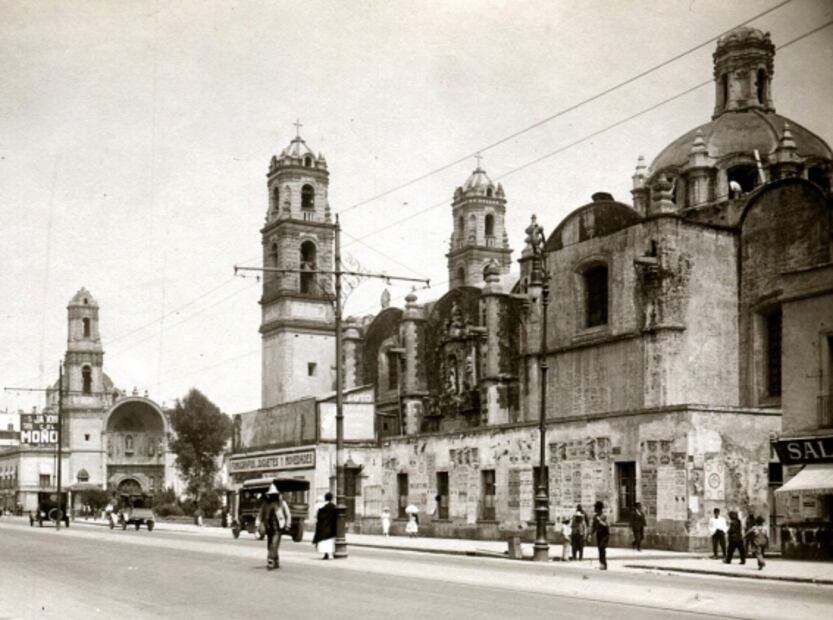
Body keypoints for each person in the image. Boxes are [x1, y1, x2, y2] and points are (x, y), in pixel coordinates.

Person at [257, 481, 292, 570]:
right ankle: (276, 561)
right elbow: (260, 514)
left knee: (274, 544)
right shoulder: (265, 504)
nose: (272, 496)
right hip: (268, 527)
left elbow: (288, 515)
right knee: (270, 545)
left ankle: (271, 561)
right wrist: (257, 524)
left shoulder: (281, 503)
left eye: (274, 494)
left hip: (278, 528)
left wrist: (288, 524)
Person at [312, 492, 337, 560]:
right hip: (330, 526)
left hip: (323, 526)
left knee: (324, 541)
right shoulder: (333, 506)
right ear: (331, 498)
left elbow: (318, 516)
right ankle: (330, 554)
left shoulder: (322, 507)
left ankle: (325, 554)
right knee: (330, 541)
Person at [589, 500, 610, 570]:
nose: (594, 509)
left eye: (595, 508)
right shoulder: (595, 517)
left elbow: (606, 525)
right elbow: (594, 527)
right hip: (599, 535)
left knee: (602, 548)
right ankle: (601, 563)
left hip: (605, 534)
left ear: (599, 509)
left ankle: (604, 564)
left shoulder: (604, 516)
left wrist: (600, 521)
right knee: (599, 549)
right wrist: (590, 535)